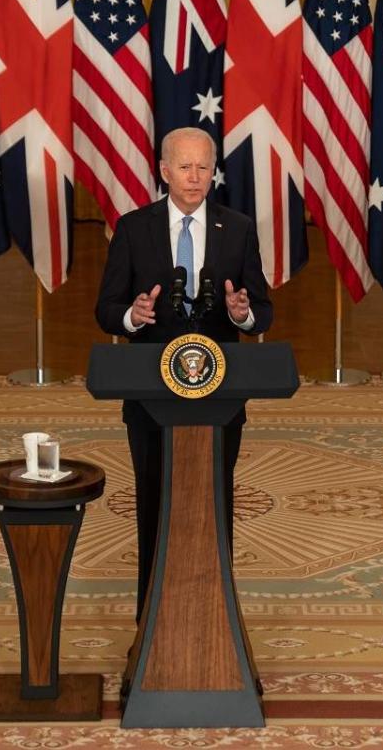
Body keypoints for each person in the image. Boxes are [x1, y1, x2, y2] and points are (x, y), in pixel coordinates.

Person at [94, 126, 272, 620]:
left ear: (214, 171)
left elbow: (261, 308)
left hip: (221, 391)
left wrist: (242, 314)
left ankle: (216, 612)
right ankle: (152, 615)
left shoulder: (236, 228)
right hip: (150, 393)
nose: (195, 178)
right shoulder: (133, 228)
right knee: (154, 498)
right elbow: (106, 309)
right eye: (185, 167)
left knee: (215, 497)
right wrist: (134, 316)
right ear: (164, 170)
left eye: (204, 167)